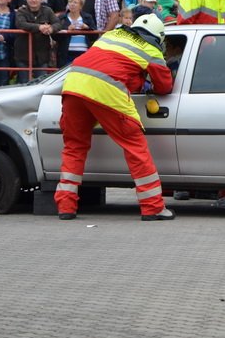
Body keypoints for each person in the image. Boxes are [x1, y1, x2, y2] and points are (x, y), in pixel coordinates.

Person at [54, 13, 175, 221]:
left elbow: (105, 62)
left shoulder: (113, 34)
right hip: (106, 90)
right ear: (158, 37)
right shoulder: (151, 50)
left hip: (73, 84)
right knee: (135, 146)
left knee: (74, 146)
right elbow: (164, 86)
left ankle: (66, 206)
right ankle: (153, 207)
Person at [14, 0, 61, 83]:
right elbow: (21, 24)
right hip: (23, 54)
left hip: (42, 55)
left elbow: (58, 23)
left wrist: (51, 29)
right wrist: (39, 27)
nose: (34, 0)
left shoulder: (48, 11)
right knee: (24, 83)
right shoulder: (21, 11)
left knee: (41, 83)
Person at [57, 0, 97, 66]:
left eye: (75, 2)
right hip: (66, 54)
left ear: (80, 6)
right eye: (70, 2)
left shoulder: (87, 17)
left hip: (84, 53)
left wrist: (87, 28)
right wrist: (67, 29)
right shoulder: (62, 18)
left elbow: (95, 36)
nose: (72, 4)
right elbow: (55, 36)